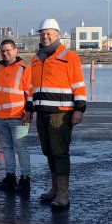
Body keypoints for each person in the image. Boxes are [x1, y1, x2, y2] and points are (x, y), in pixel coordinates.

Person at [24, 18, 87, 209]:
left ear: (57, 34)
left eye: (48, 33)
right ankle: (53, 189)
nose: (45, 36)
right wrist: (28, 108)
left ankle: (63, 194)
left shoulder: (69, 56)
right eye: (42, 33)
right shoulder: (36, 58)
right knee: (48, 152)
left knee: (60, 152)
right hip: (42, 112)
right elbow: (31, 87)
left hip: (61, 113)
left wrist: (79, 109)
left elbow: (79, 85)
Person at [0, 39, 32, 193]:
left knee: (20, 148)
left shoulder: (24, 69)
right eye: (3, 51)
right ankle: (10, 176)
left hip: (18, 117)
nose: (5, 53)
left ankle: (25, 178)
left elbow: (30, 93)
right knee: (7, 148)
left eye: (8, 50)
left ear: (15, 50)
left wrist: (29, 112)